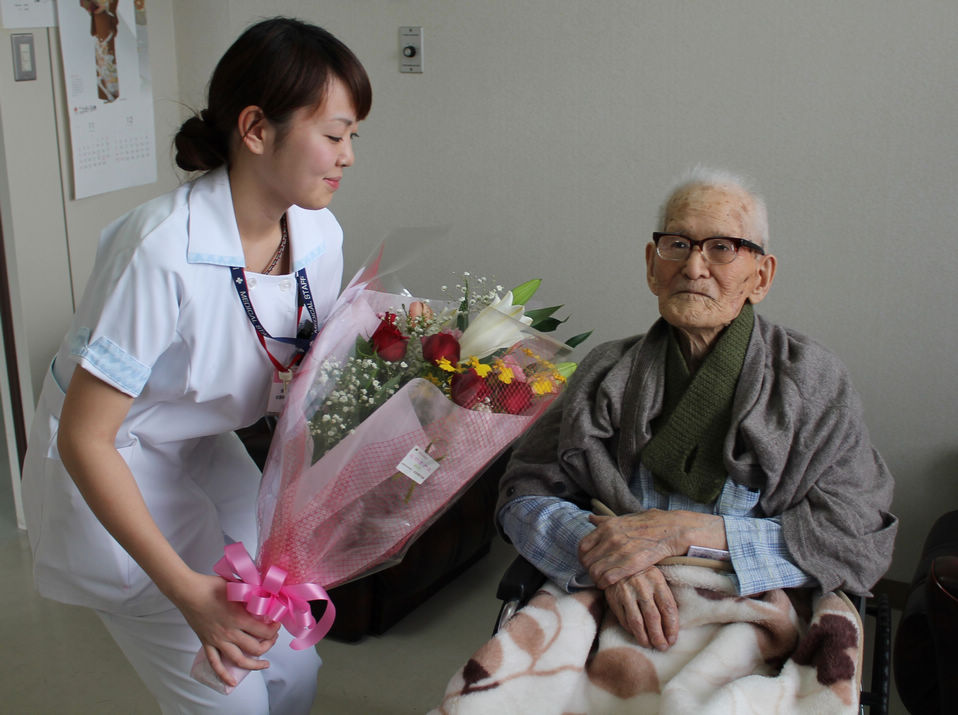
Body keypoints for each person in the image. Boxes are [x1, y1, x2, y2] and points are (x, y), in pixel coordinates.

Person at [22, 17, 371, 714]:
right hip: (115, 458)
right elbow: (85, 437)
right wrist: (188, 594)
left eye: (353, 137)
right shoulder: (160, 251)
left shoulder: (318, 234)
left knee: (295, 666)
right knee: (232, 693)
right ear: (255, 128)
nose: (348, 156)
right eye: (334, 135)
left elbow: (294, 372)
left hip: (203, 444)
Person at [497, 166, 898, 653]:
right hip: (607, 600)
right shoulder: (604, 370)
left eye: (722, 248)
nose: (693, 267)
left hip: (755, 610)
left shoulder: (813, 379)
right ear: (652, 264)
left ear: (762, 275)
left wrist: (691, 533)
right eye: (678, 245)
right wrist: (609, 562)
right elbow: (522, 495)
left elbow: (853, 533)